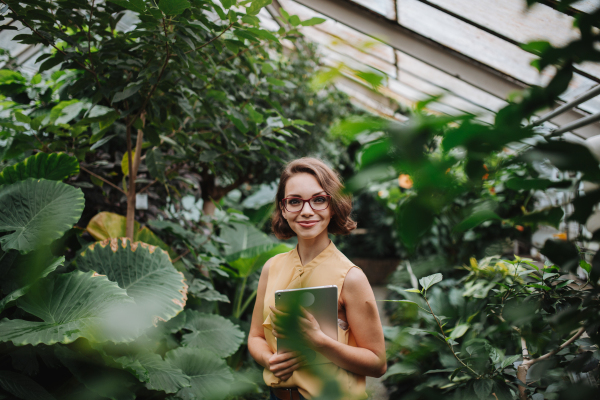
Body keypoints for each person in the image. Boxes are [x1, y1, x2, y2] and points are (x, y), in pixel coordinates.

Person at [248, 158, 386, 400]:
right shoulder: (272, 267)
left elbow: (377, 363)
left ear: (333, 206)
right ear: (283, 208)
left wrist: (320, 342)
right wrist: (269, 360)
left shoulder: (351, 278)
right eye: (294, 201)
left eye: (319, 199)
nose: (307, 211)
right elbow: (256, 337)